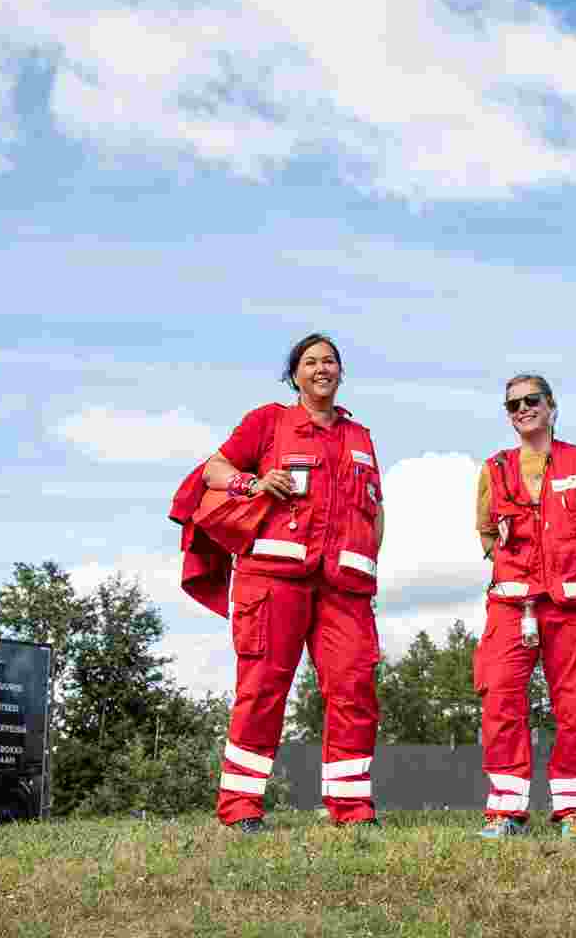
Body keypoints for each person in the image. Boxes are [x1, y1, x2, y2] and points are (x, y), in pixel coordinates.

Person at [200, 333, 385, 833]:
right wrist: (252, 483)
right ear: (295, 374)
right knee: (262, 690)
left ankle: (351, 808)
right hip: (273, 580)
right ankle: (240, 807)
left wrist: (370, 564)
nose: (321, 369)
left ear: (341, 372)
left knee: (354, 689)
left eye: (330, 361)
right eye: (311, 362)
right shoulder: (268, 422)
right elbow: (214, 469)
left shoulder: (361, 437)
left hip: (344, 590)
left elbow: (377, 511)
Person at [474, 374, 576, 839]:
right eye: (512, 404)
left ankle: (574, 808)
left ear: (552, 407)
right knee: (499, 697)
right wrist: (520, 572)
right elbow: (484, 535)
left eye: (531, 400)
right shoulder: (493, 468)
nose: (522, 409)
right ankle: (506, 809)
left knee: (575, 704)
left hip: (573, 607)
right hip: (511, 604)